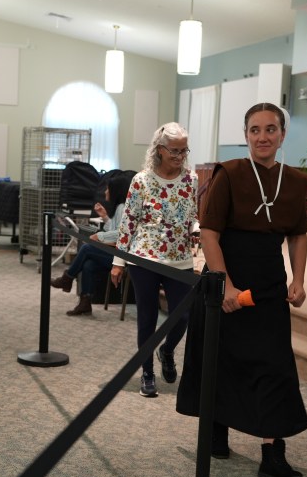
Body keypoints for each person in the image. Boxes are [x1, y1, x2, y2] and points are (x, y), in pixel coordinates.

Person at [176, 102, 307, 477]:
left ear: (282, 135)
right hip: (225, 275)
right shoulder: (229, 173)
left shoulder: (297, 180)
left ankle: (273, 453)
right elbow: (209, 234)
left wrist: (298, 279)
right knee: (221, 359)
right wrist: (226, 285)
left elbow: (298, 234)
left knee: (274, 364)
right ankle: (217, 430)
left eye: (270, 129)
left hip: (268, 281)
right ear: (246, 135)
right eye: (255, 130)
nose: (262, 136)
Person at [111, 123, 197, 398]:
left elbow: (191, 214)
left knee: (182, 316)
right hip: (143, 258)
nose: (180, 156)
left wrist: (195, 227)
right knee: (146, 318)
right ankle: (146, 374)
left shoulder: (190, 180)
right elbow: (128, 222)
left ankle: (167, 350)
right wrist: (119, 261)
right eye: (174, 150)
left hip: (179, 259)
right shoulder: (141, 180)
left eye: (184, 150)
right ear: (160, 149)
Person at [50, 171, 136, 316]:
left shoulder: (123, 208)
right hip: (118, 254)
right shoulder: (120, 208)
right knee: (88, 264)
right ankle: (85, 303)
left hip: (123, 259)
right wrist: (105, 217)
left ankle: (67, 278)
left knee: (87, 248)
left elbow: (122, 235)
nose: (105, 191)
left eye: (108, 188)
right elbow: (115, 230)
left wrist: (99, 236)